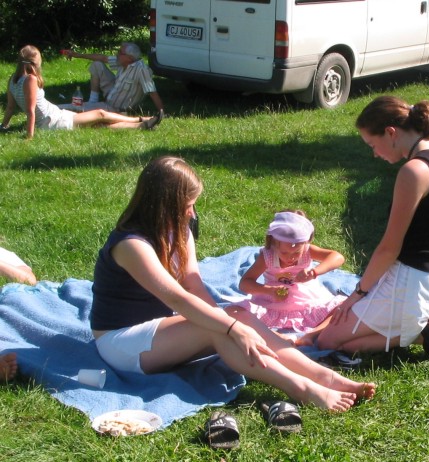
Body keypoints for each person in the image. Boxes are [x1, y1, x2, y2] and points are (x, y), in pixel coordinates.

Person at [90, 156, 375, 412]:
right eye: (187, 205)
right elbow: (178, 298)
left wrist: (232, 321)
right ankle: (301, 388)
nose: (192, 212)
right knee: (220, 329)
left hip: (162, 329)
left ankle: (324, 376)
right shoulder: (130, 245)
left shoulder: (179, 227)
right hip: (122, 342)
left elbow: (193, 283)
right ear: (164, 205)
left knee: (235, 316)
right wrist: (229, 328)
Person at [297, 96, 429, 366]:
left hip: (416, 285)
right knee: (348, 343)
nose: (374, 154)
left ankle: (425, 333)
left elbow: (389, 248)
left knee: (327, 342)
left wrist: (358, 294)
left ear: (391, 133)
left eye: (372, 144)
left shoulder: (413, 172)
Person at [0, 45, 162, 140]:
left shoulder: (13, 79)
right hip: (54, 121)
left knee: (98, 124)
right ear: (35, 62)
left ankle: (143, 124)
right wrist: (29, 136)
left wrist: (4, 125)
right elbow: (30, 111)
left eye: (121, 52)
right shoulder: (31, 80)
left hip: (56, 116)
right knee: (99, 114)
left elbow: (10, 107)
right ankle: (142, 120)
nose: (118, 54)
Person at [234, 210, 347, 333]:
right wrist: (268, 290)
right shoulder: (268, 256)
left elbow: (337, 257)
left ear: (305, 243)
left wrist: (314, 272)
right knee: (235, 312)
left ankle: (314, 334)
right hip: (274, 300)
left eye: (296, 253)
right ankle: (272, 335)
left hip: (306, 297)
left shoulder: (307, 251)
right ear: (273, 244)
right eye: (284, 253)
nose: (290, 258)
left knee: (343, 306)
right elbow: (245, 283)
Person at [60, 43, 164, 114]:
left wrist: (161, 112)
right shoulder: (123, 61)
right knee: (97, 64)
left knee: (74, 108)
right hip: (112, 93)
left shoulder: (141, 70)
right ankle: (93, 101)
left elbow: (152, 92)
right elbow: (103, 58)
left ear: (130, 58)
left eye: (120, 53)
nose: (117, 54)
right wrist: (77, 55)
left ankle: (56, 108)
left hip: (116, 108)